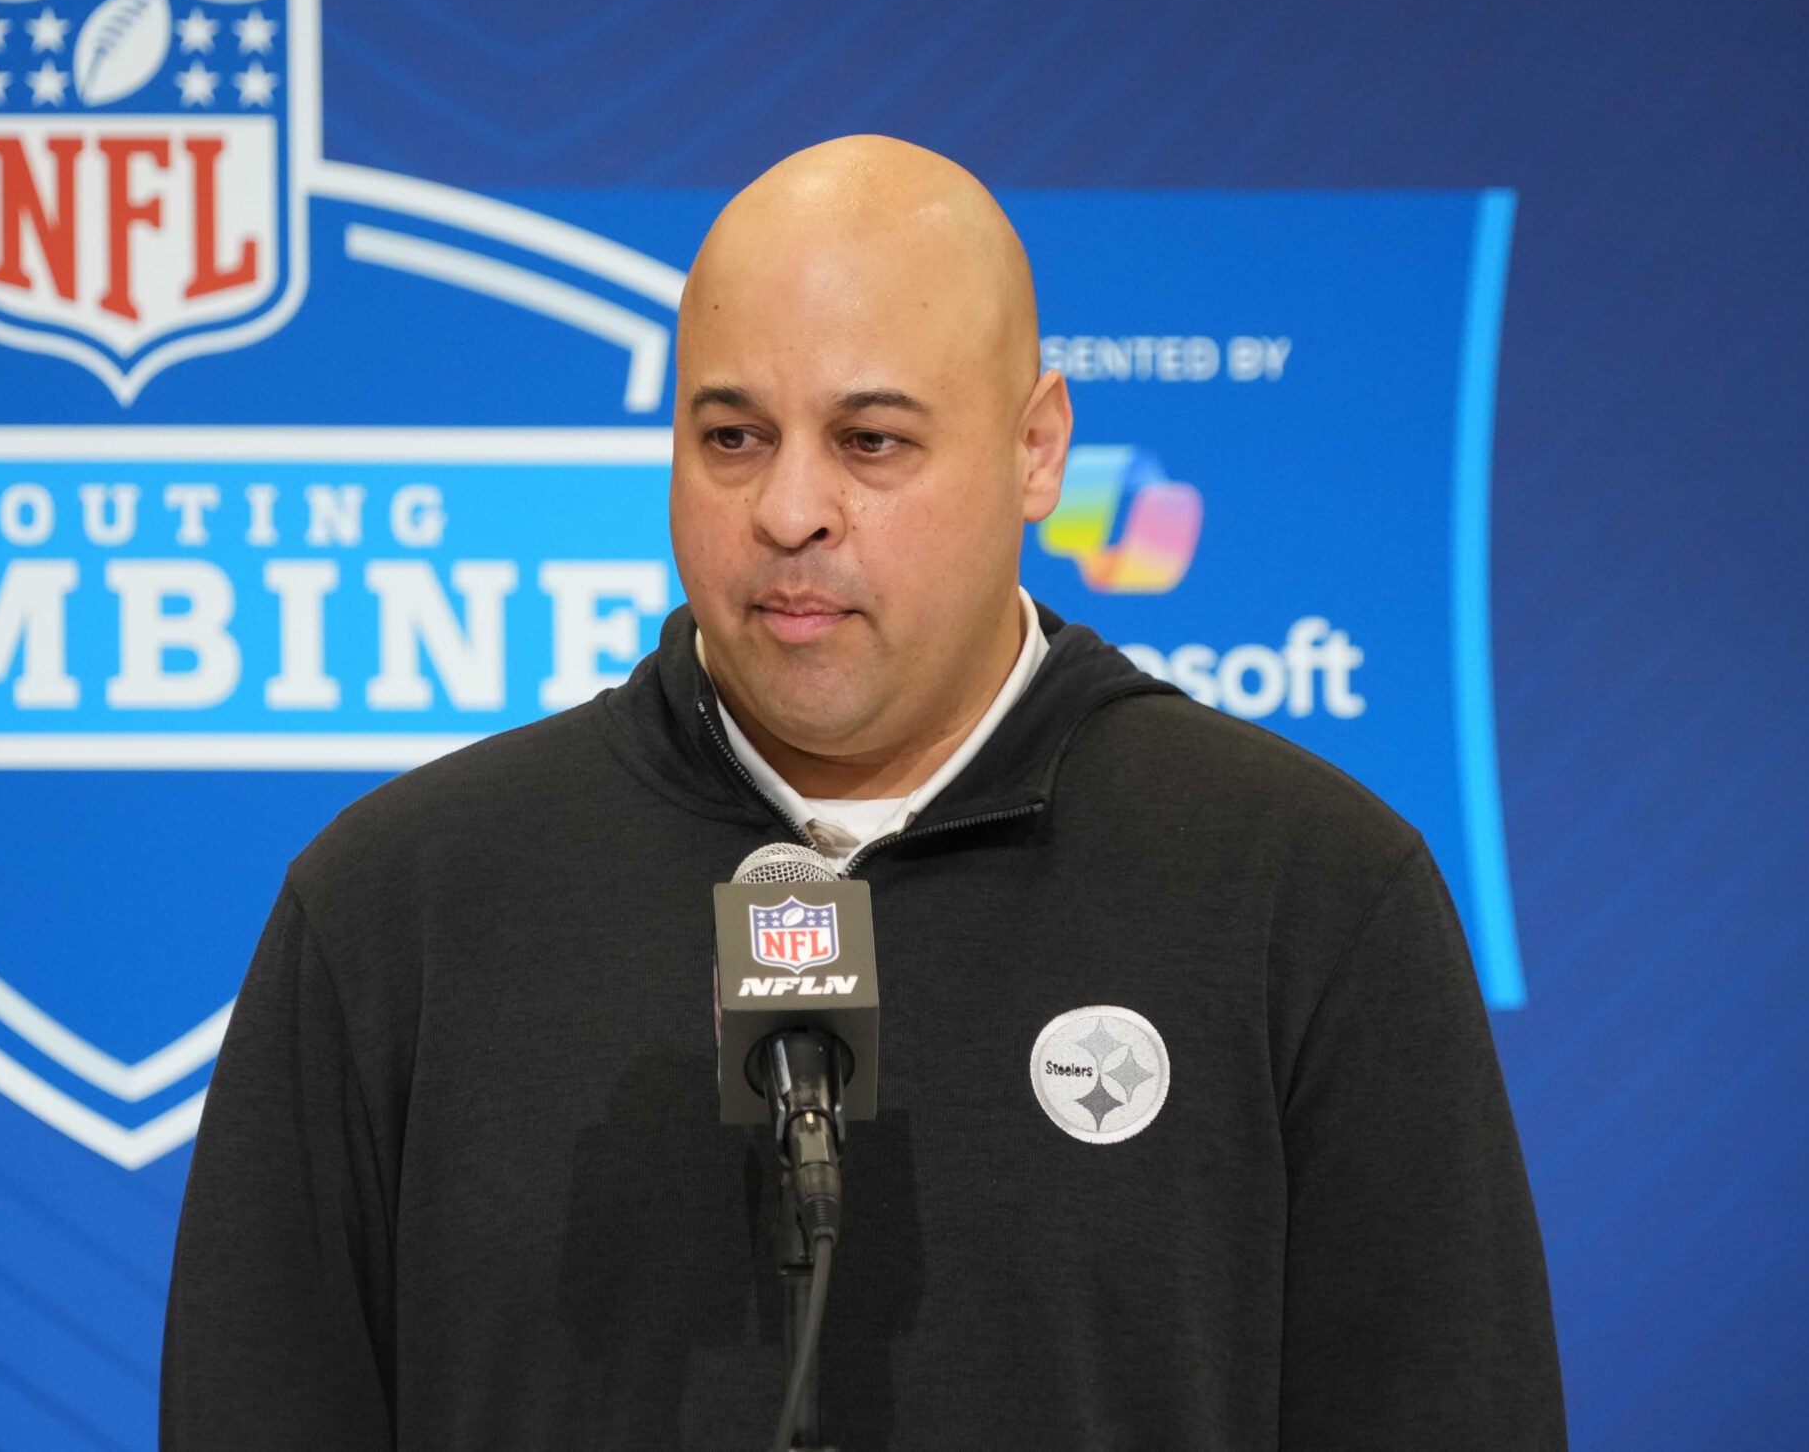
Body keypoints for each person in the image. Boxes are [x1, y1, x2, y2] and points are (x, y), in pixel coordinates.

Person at [161, 136, 1565, 1449]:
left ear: (1037, 450)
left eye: (872, 441)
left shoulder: (1306, 894)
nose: (787, 509)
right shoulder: (400, 907)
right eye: (731, 437)